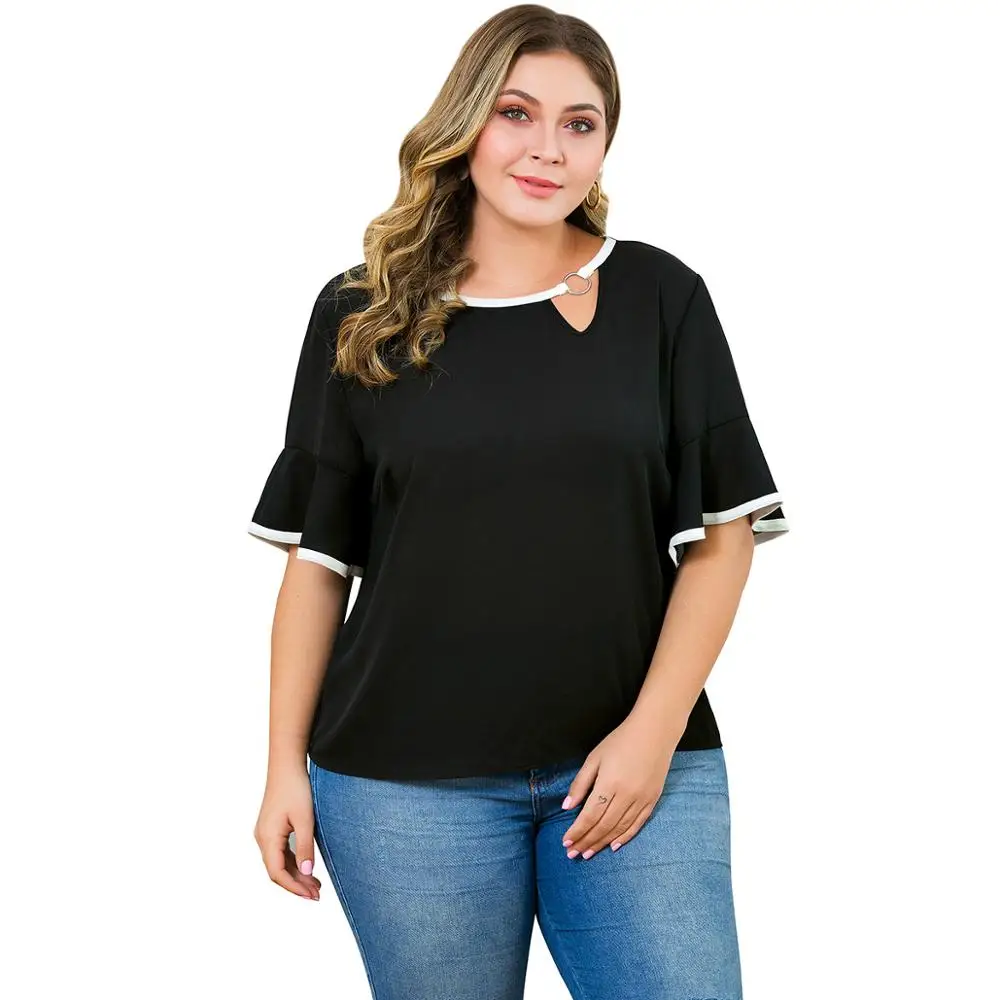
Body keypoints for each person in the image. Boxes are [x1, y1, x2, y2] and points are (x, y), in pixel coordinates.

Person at [248, 5, 789, 998]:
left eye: (580, 124)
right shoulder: (360, 314)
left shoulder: (661, 298)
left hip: (637, 770)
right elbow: (317, 567)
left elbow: (723, 539)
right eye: (516, 113)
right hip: (402, 787)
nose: (548, 149)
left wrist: (651, 733)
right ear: (465, 124)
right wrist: (283, 764)